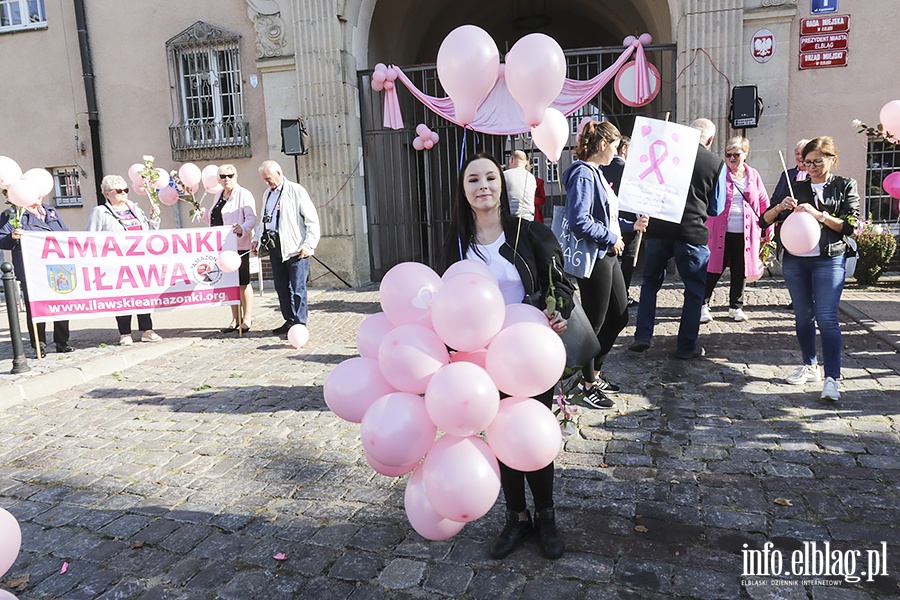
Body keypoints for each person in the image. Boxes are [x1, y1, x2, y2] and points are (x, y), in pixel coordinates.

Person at [438, 152, 573, 560]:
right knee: (500, 439)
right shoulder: (456, 243)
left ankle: (546, 516)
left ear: (502, 185)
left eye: (490, 178)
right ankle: (516, 517)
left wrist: (558, 310)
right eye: (473, 180)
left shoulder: (529, 234)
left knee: (532, 435)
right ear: (464, 191)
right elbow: (444, 300)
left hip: (529, 353)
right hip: (480, 359)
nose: (483, 186)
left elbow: (560, 284)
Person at [759, 136, 859, 401]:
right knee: (803, 316)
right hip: (795, 259)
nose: (811, 166)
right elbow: (763, 220)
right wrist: (780, 207)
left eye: (817, 161)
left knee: (827, 317)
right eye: (806, 162)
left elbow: (850, 226)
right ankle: (810, 365)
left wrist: (819, 215)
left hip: (829, 258)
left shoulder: (845, 185)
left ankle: (832, 379)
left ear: (831, 159)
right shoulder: (796, 186)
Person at [562, 122, 647, 407]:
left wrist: (630, 225)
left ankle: (594, 373)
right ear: (602, 145)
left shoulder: (595, 173)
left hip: (606, 254)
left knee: (619, 317)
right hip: (596, 257)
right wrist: (611, 237)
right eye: (614, 146)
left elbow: (604, 218)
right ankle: (587, 385)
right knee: (594, 324)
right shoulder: (584, 175)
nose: (616, 151)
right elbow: (579, 220)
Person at [628, 118, 725, 359]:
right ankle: (686, 346)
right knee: (694, 290)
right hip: (691, 231)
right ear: (710, 140)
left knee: (650, 283)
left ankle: (643, 335)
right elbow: (716, 207)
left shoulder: (667, 152)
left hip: (659, 229)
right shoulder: (715, 163)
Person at [701, 137, 771, 323]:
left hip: (747, 233)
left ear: (745, 154)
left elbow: (764, 202)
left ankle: (736, 307)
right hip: (719, 231)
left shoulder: (753, 175)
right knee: (713, 268)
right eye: (728, 154)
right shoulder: (719, 172)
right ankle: (703, 304)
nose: (732, 158)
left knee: (741, 270)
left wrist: (768, 227)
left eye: (736, 154)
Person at [87, 175, 162, 345]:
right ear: (107, 193)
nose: (124, 194)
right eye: (119, 191)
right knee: (122, 296)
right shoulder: (100, 212)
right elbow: (91, 238)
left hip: (139, 260)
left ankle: (147, 330)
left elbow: (149, 232)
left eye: (126, 190)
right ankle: (125, 333)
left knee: (142, 294)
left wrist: (154, 219)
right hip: (116, 262)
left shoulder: (134, 208)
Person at [253, 160, 320, 335]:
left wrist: (308, 245)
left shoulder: (296, 190)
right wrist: (256, 239)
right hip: (276, 248)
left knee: (298, 289)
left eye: (269, 179)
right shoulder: (267, 194)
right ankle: (289, 321)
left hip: (296, 248)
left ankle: (300, 324)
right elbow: (263, 219)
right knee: (281, 287)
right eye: (264, 180)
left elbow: (312, 221)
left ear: (279, 173)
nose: (267, 183)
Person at [0, 200, 73, 354]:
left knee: (60, 303)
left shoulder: (50, 210)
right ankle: (39, 344)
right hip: (31, 268)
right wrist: (12, 237)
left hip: (56, 266)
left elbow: (66, 233)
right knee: (35, 306)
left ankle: (62, 342)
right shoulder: (13, 214)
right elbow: (2, 240)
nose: (37, 198)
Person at [207, 164, 257, 333]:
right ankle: (235, 318)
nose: (227, 179)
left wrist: (242, 228)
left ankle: (247, 317)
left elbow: (251, 218)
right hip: (222, 247)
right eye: (223, 176)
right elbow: (214, 218)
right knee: (230, 284)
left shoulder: (244, 194)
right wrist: (202, 214)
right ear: (218, 179)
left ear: (236, 176)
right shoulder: (219, 195)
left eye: (230, 175)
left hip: (239, 245)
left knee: (243, 282)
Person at [601, 135, 640, 305]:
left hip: (609, 221)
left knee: (613, 259)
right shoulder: (629, 170)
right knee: (628, 259)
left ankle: (610, 293)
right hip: (628, 219)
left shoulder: (601, 168)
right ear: (624, 149)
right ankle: (622, 294)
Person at [503, 150, 537, 220]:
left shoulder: (505, 175)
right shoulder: (531, 177)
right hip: (529, 215)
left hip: (511, 214)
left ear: (512, 159)